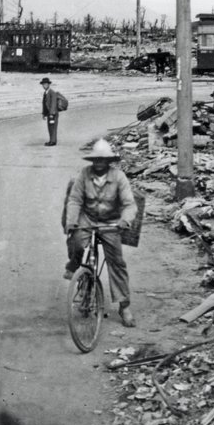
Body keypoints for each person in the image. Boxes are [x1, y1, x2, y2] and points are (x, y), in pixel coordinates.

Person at [64, 139, 138, 327]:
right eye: (96, 159)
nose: (98, 163)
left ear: (108, 161)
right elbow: (74, 200)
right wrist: (71, 222)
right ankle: (75, 268)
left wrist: (125, 220)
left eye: (102, 160)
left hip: (110, 223)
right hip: (87, 220)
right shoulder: (84, 175)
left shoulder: (119, 176)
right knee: (77, 242)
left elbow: (129, 204)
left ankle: (124, 305)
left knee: (117, 262)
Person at [40, 77, 59, 146]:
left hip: (53, 113)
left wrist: (51, 113)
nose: (44, 86)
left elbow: (53, 104)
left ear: (48, 84)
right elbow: (44, 104)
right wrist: (44, 114)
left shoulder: (52, 92)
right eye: (43, 84)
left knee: (53, 127)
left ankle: (53, 141)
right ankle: (51, 140)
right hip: (49, 113)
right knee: (50, 127)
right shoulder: (45, 93)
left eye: (45, 84)